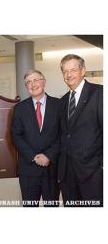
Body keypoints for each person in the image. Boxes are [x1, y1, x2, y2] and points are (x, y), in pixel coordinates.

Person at [59, 54, 103, 207]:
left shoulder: (100, 93)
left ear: (83, 70)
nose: (68, 75)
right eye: (64, 71)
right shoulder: (63, 100)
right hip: (67, 174)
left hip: (93, 172)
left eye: (73, 70)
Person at [12, 70, 60, 207]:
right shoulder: (19, 108)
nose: (32, 84)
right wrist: (34, 156)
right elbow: (16, 135)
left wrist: (48, 156)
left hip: (52, 169)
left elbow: (63, 135)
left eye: (36, 80)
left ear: (43, 82)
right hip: (28, 170)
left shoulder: (59, 105)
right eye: (28, 82)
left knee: (52, 206)